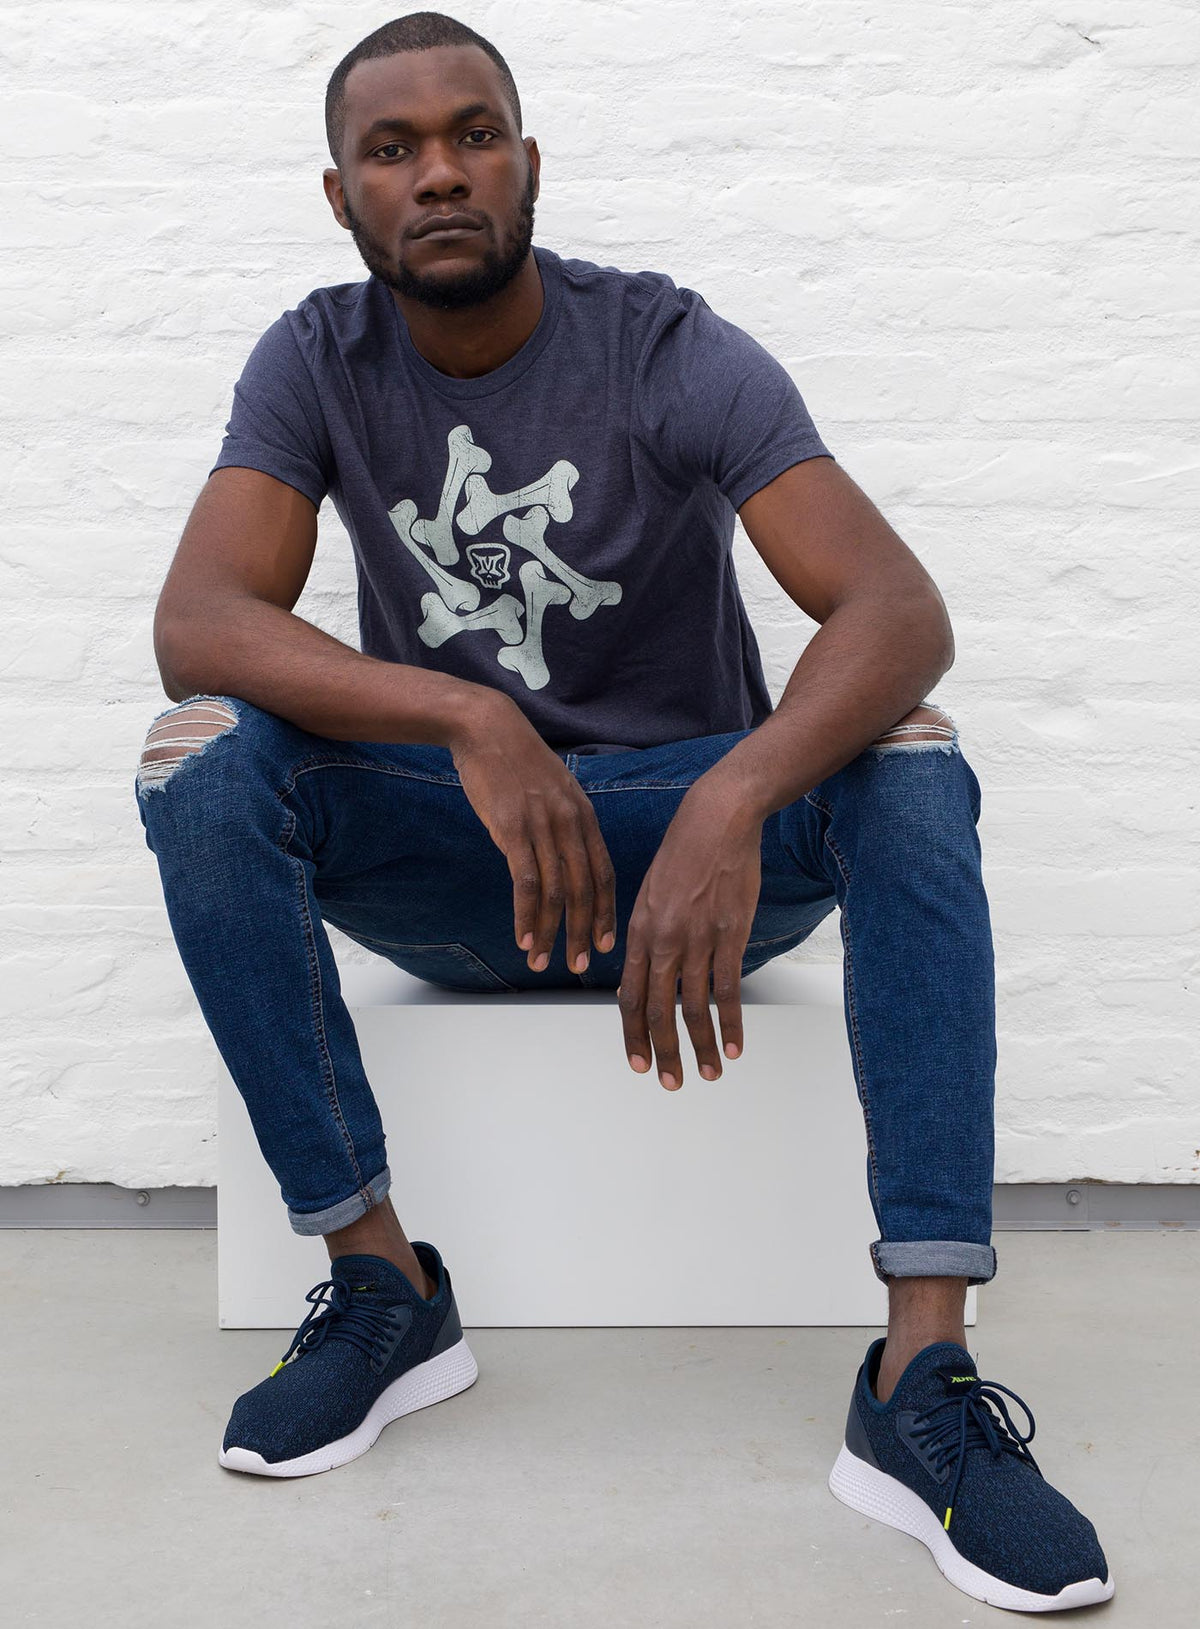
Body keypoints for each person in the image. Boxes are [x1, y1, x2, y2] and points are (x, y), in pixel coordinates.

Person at [133, 11, 1113, 1612]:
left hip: (691, 855)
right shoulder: (315, 357)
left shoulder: (661, 345)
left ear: (527, 162)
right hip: (466, 856)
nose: (438, 173)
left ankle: (921, 1378)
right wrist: (469, 714)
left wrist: (735, 788)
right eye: (393, 148)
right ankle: (381, 1286)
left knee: (913, 754)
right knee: (201, 754)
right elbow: (201, 621)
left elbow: (895, 606)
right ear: (340, 193)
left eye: (473, 134)